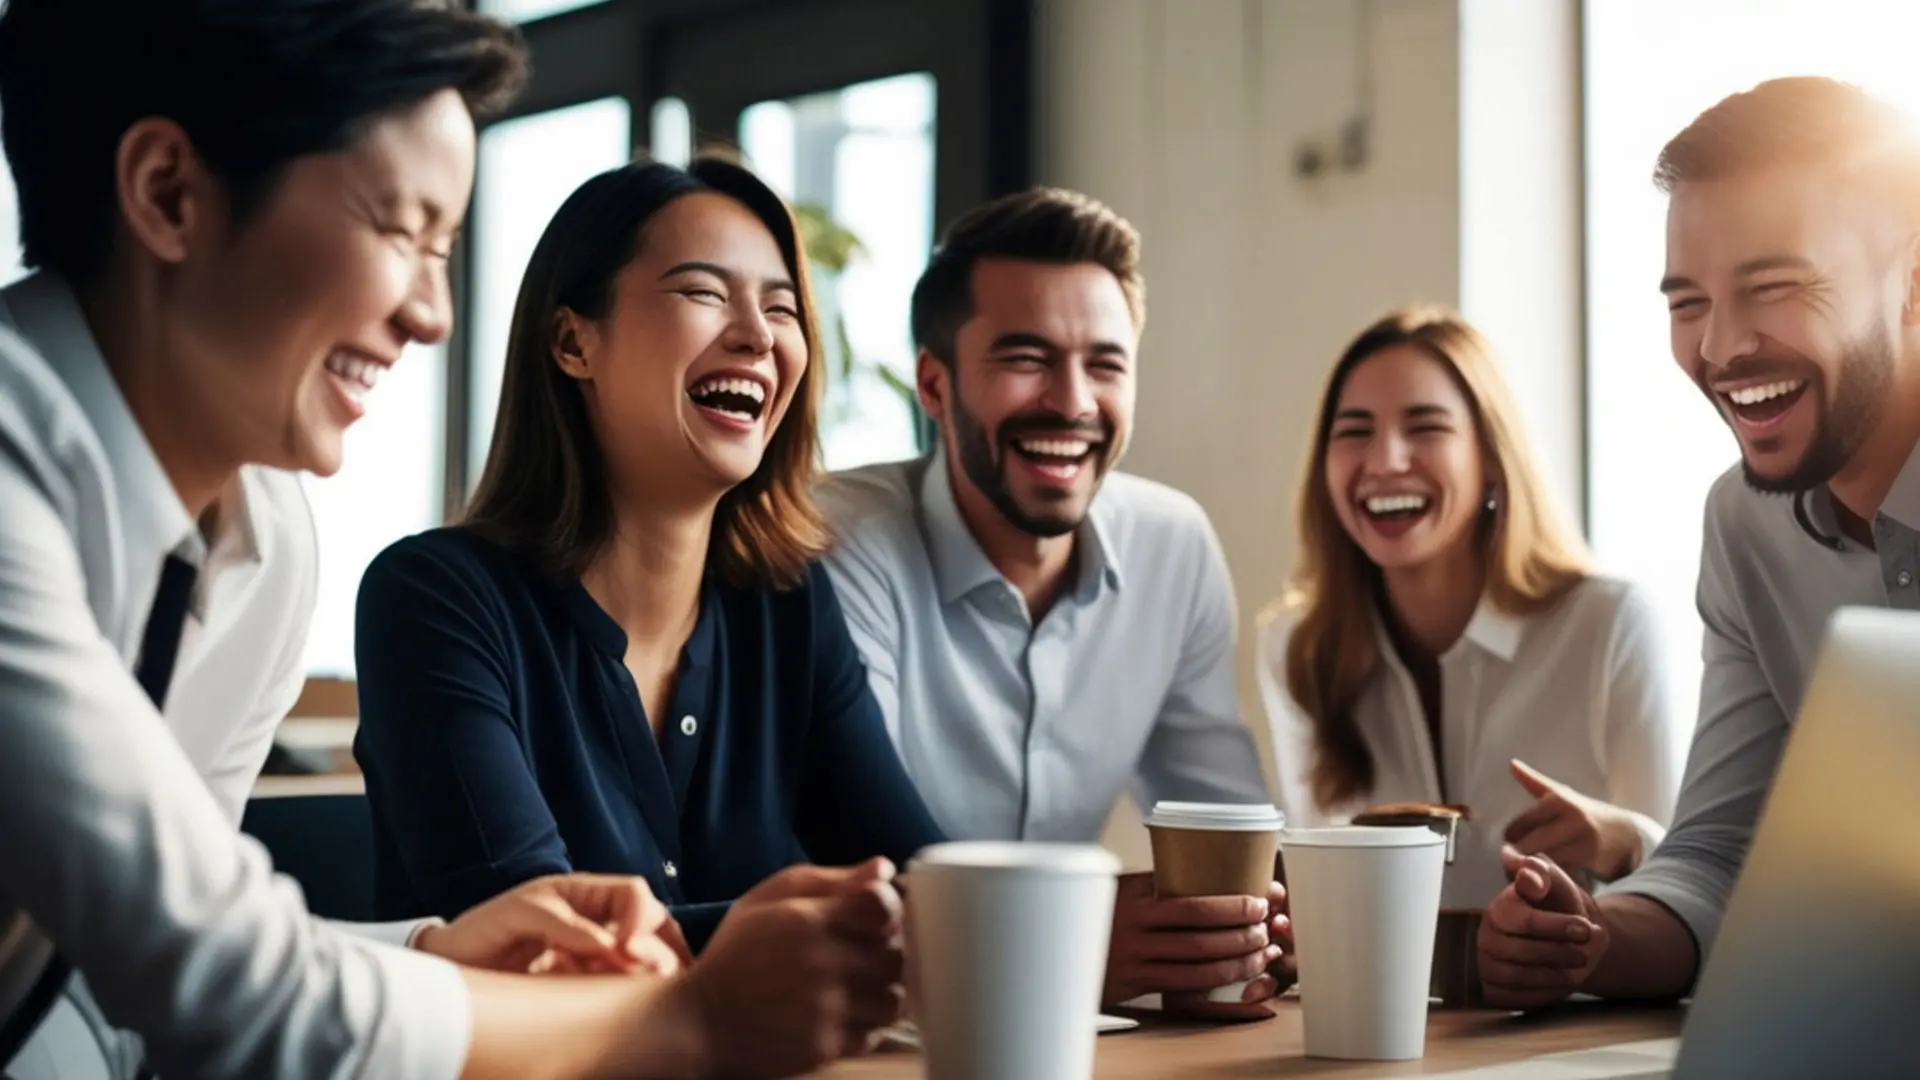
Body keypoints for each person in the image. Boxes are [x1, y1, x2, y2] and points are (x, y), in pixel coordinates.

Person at [0, 2, 900, 1078]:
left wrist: (431, 949)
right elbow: (236, 992)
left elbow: (148, 962)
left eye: (446, 249)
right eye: (398, 230)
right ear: (168, 194)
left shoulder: (265, 550)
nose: (432, 313)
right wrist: (692, 1018)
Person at [351, 156, 945, 963]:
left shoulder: (789, 599)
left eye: (781, 307)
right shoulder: (434, 597)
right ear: (572, 342)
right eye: (703, 293)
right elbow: (539, 942)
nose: (758, 334)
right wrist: (855, 926)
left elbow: (924, 884)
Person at [1477, 76, 1920, 1008]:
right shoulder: (1746, 526)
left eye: (1774, 288)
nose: (1720, 349)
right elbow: (1721, 854)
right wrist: (1591, 937)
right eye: (1688, 304)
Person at [816, 187, 1288, 1017]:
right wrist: (1062, 950)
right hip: (873, 1026)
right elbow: (860, 864)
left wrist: (1250, 932)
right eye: (1025, 358)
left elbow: (1227, 833)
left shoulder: (1171, 544)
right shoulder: (840, 541)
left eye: (1105, 364)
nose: (1072, 402)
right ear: (934, 383)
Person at [1256, 305, 1680, 908]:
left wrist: (1625, 843)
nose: (1384, 461)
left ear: (1490, 460)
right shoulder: (1297, 647)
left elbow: (1689, 884)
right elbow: (1316, 888)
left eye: (1424, 427)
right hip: (1377, 1002)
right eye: (1354, 432)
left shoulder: (1609, 624)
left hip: (1582, 1000)